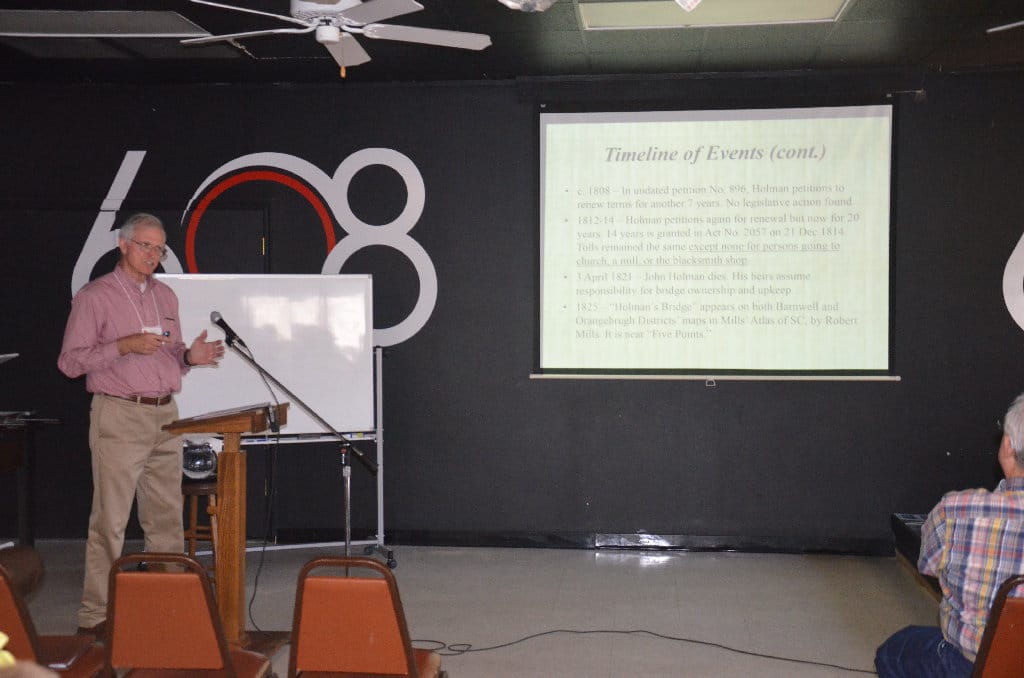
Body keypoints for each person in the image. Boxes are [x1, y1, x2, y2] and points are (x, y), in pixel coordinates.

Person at [57, 213, 224, 635]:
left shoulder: (166, 296)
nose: (152, 255)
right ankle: (96, 617)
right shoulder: (95, 296)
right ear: (123, 244)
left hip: (165, 415)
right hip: (119, 414)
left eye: (159, 249)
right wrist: (123, 346)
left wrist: (190, 357)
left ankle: (167, 608)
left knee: (166, 521)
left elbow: (172, 353)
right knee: (110, 523)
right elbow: (70, 363)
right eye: (145, 245)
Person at [875, 393, 1024, 677]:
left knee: (892, 653)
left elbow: (927, 564)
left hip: (969, 665)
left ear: (1007, 446)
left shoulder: (957, 510)